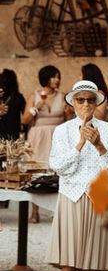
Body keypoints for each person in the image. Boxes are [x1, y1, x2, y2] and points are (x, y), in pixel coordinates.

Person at [45, 80, 108, 271]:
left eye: (91, 99)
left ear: (97, 103)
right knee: (68, 257)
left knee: (95, 257)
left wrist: (99, 145)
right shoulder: (62, 131)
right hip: (71, 196)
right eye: (81, 100)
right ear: (73, 103)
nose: (86, 104)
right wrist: (80, 143)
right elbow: (59, 167)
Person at [21, 65, 69, 223]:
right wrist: (36, 108)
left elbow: (69, 120)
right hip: (38, 137)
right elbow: (25, 120)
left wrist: (69, 112)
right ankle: (34, 212)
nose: (57, 80)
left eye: (58, 76)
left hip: (57, 136)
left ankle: (56, 211)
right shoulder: (34, 95)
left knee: (57, 172)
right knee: (36, 172)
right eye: (54, 76)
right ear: (45, 78)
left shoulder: (63, 96)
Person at [0, 69, 26, 140]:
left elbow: (26, 116)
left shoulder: (17, 97)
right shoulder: (18, 97)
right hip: (14, 135)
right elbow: (26, 115)